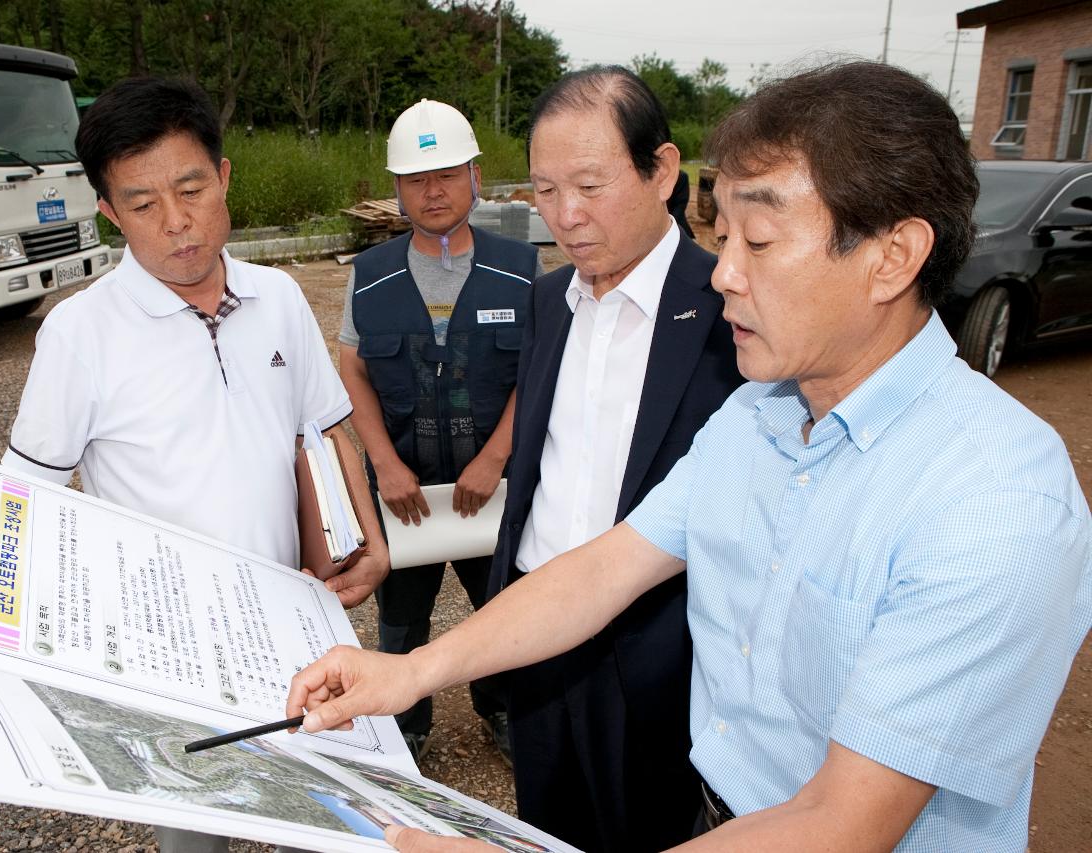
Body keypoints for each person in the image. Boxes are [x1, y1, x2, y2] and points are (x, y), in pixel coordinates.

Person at [287, 61, 1092, 853]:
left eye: (762, 241)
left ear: (893, 256)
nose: (727, 275)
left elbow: (842, 823)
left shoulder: (995, 502)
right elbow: (602, 569)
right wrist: (409, 671)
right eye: (725, 236)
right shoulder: (756, 417)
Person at [0, 76, 390, 853]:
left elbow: (328, 427)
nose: (178, 223)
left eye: (192, 187)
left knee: (321, 817)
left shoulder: (280, 299)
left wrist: (371, 539)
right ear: (108, 212)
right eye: (141, 204)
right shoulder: (80, 333)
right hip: (167, 647)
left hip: (289, 622)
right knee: (194, 828)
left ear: (225, 176)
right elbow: (20, 496)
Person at [485, 67, 740, 852]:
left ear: (661, 171)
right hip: (537, 633)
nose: (565, 216)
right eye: (544, 190)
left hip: (656, 652)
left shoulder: (730, 308)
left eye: (590, 185)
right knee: (544, 826)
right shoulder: (547, 301)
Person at [339, 98, 542, 764]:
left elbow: (534, 374)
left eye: (448, 174)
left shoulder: (521, 268)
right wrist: (385, 465)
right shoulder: (369, 277)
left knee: (503, 610)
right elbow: (354, 372)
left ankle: (505, 709)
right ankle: (406, 725)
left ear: (475, 176)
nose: (433, 191)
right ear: (395, 188)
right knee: (401, 619)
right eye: (417, 178)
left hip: (494, 488)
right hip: (404, 491)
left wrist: (496, 456)